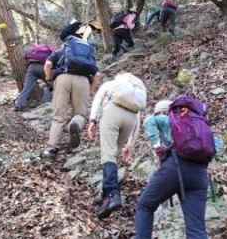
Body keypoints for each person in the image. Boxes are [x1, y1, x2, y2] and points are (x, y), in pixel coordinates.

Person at [123, 95, 214, 239]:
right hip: (200, 175)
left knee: (145, 205)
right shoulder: (201, 125)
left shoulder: (169, 118)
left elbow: (149, 121)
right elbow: (218, 146)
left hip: (175, 168)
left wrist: (157, 145)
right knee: (197, 227)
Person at [88, 72, 146, 220]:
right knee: (113, 156)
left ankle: (112, 195)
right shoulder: (135, 93)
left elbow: (98, 99)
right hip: (130, 119)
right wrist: (130, 145)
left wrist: (93, 120)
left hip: (112, 113)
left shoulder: (112, 84)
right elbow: (138, 117)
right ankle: (105, 195)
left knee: (108, 155)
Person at [42, 24, 100, 160]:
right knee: (80, 114)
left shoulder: (63, 49)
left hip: (63, 78)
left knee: (58, 116)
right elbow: (97, 74)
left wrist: (49, 77)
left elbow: (48, 65)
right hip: (83, 81)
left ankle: (51, 149)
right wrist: (91, 90)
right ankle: (74, 124)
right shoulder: (89, 51)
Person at [14, 44, 55, 111]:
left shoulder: (33, 51)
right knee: (50, 85)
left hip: (32, 68)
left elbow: (26, 57)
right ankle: (46, 104)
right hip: (44, 68)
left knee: (27, 88)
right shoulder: (50, 50)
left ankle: (19, 105)